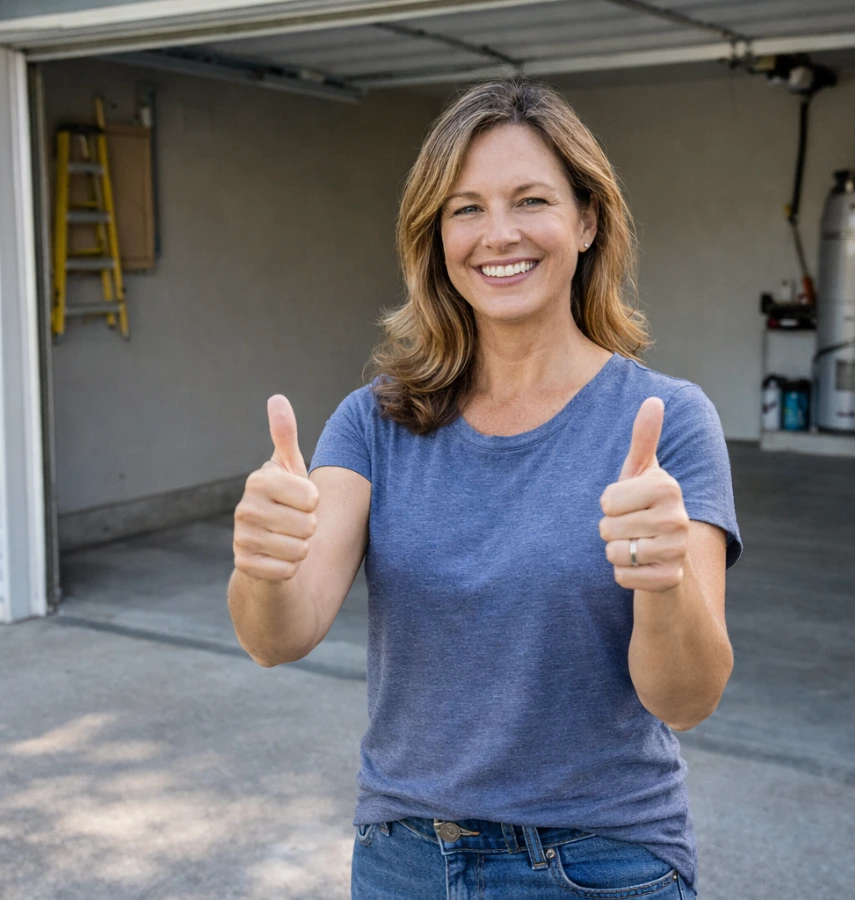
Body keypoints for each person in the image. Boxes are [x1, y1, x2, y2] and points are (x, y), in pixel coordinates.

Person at [228, 79, 742, 900]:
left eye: (530, 200)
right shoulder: (374, 422)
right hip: (405, 860)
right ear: (434, 237)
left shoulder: (666, 420)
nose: (496, 235)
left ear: (586, 219)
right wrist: (261, 562)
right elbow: (276, 637)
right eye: (464, 209)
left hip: (601, 861)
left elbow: (687, 699)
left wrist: (665, 580)